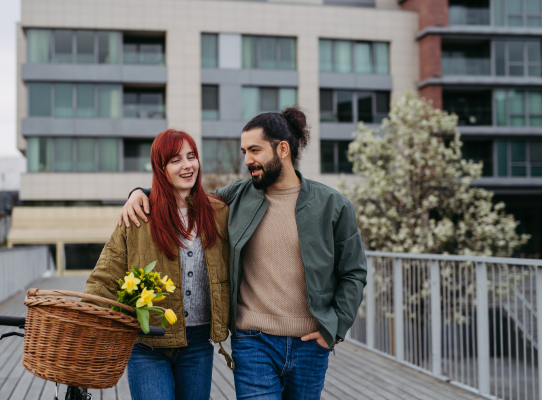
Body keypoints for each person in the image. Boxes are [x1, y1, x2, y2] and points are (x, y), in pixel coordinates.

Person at [120, 107, 367, 400]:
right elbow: (185, 195)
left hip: (311, 344)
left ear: (283, 149)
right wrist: (140, 192)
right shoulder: (237, 195)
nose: (247, 159)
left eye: (254, 150)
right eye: (244, 151)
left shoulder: (333, 205)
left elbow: (354, 272)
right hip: (253, 342)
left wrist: (336, 328)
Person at [84, 129, 231, 400]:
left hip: (198, 343)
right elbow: (105, 277)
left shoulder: (219, 212)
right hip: (146, 343)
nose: (187, 165)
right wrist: (84, 323)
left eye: (191, 156)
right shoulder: (139, 214)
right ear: (160, 168)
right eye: (176, 160)